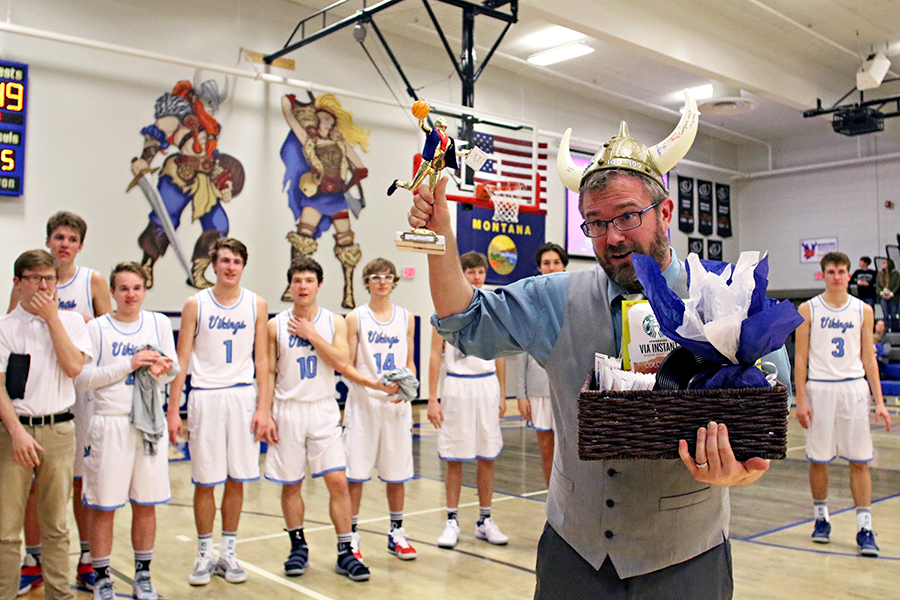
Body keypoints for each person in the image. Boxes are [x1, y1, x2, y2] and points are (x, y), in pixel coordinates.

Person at [407, 94, 792, 598]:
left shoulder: (726, 296)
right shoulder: (556, 297)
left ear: (666, 211)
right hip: (573, 554)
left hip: (685, 558)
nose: (612, 237)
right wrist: (441, 235)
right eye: (595, 222)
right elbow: (464, 319)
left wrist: (740, 475)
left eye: (628, 216)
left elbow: (765, 417)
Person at [9, 212, 112, 595]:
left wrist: (78, 323)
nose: (64, 243)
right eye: (59, 237)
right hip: (37, 396)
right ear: (49, 241)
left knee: (78, 482)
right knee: (35, 485)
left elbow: (109, 329)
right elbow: (11, 331)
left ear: (80, 246)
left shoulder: (93, 280)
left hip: (80, 393)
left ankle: (86, 557)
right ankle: (33, 560)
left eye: (71, 238)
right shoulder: (28, 282)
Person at [166, 237, 276, 586]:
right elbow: (181, 361)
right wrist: (173, 411)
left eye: (236, 262)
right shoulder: (195, 304)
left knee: (236, 477)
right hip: (205, 397)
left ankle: (228, 551)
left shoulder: (256, 304)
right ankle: (204, 553)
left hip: (242, 397)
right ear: (214, 265)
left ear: (243, 266)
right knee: (205, 480)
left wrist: (264, 407)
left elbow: (263, 360)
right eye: (225, 261)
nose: (230, 267)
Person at [74, 263, 178, 600]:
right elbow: (82, 379)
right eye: (123, 289)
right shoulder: (97, 329)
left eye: (136, 288)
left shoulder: (158, 323)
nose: (130, 295)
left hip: (148, 425)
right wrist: (128, 364)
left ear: (145, 290)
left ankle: (143, 576)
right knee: (104, 506)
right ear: (113, 293)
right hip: (109, 423)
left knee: (146, 504)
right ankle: (102, 576)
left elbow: (172, 371)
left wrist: (162, 368)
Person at [265, 256, 370, 582]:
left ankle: (345, 551)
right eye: (297, 281)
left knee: (338, 481)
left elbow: (342, 361)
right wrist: (264, 412)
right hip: (287, 410)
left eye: (309, 281)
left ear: (319, 285)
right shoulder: (274, 325)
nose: (302, 286)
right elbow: (267, 373)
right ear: (290, 286)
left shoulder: (333, 322)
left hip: (323, 408)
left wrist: (312, 334)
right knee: (291, 482)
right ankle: (297, 546)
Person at [0, 249, 92, 600]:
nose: (43, 285)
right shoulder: (5, 327)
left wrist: (52, 318)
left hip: (58, 430)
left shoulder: (70, 323)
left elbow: (73, 367)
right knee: (7, 529)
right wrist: (17, 432)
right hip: (14, 432)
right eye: (34, 278)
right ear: (18, 284)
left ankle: (60, 594)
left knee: (56, 525)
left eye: (49, 278)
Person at [794, 252, 892, 557]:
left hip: (853, 388)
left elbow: (868, 358)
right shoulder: (808, 309)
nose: (837, 276)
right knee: (818, 459)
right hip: (820, 388)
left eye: (842, 271)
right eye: (832, 271)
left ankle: (865, 527)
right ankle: (821, 520)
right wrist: (800, 398)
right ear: (823, 274)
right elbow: (800, 357)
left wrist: (880, 402)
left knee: (859, 460)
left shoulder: (863, 310)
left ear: (849, 275)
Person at [428, 251, 508, 549]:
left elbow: (500, 353)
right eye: (470, 272)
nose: (476, 277)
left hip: (485, 386)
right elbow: (435, 354)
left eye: (480, 272)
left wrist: (502, 392)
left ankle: (485, 519)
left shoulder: (493, 305)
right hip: (457, 387)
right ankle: (451, 520)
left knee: (487, 456)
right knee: (454, 458)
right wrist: (432, 398)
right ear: (462, 274)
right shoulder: (447, 303)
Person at [131, 78, 244, 289]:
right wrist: (144, 160)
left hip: (205, 178)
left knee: (218, 225)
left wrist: (224, 184)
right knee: (164, 218)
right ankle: (146, 266)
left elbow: (212, 159)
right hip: (178, 173)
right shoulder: (180, 113)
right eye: (210, 101)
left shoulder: (209, 124)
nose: (212, 106)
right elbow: (156, 135)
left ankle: (198, 272)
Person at [342, 258, 417, 561]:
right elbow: (346, 365)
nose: (383, 282)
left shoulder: (406, 318)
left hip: (395, 405)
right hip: (363, 404)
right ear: (367, 283)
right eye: (376, 277)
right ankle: (351, 536)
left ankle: (396, 532)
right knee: (355, 474)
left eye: (388, 277)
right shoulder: (354, 318)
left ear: (395, 281)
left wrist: (409, 385)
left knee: (396, 473)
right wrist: (373, 384)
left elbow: (410, 361)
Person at [279, 93, 369, 308]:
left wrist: (349, 182)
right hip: (317, 196)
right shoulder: (310, 141)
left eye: (329, 120)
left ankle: (348, 291)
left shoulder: (340, 143)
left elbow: (360, 166)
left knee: (346, 242)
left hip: (337, 197)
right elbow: (291, 120)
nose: (325, 123)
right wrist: (288, 103)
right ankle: (292, 284)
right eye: (322, 119)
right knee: (302, 237)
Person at [513, 243, 568, 487]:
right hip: (538, 388)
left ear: (564, 265)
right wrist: (521, 394)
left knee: (569, 450)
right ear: (539, 268)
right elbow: (521, 351)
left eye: (556, 262)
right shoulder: (530, 303)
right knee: (546, 449)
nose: (551, 267)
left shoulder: (575, 299)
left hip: (567, 387)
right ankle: (551, 502)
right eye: (546, 263)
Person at [387, 116, 467, 197]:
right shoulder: (433, 133)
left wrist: (464, 154)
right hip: (427, 164)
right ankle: (398, 183)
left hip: (436, 168)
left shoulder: (449, 140)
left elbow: (451, 153)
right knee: (412, 187)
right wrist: (421, 116)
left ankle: (428, 206)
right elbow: (422, 126)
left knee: (432, 194)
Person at [877, 258, 900, 331]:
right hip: (883, 296)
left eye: (884, 263)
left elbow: (898, 285)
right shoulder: (880, 274)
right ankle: (886, 329)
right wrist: (881, 293)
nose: (882, 265)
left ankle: (895, 330)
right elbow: (877, 285)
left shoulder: (895, 274)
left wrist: (892, 293)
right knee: (885, 314)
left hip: (893, 297)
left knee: (893, 314)